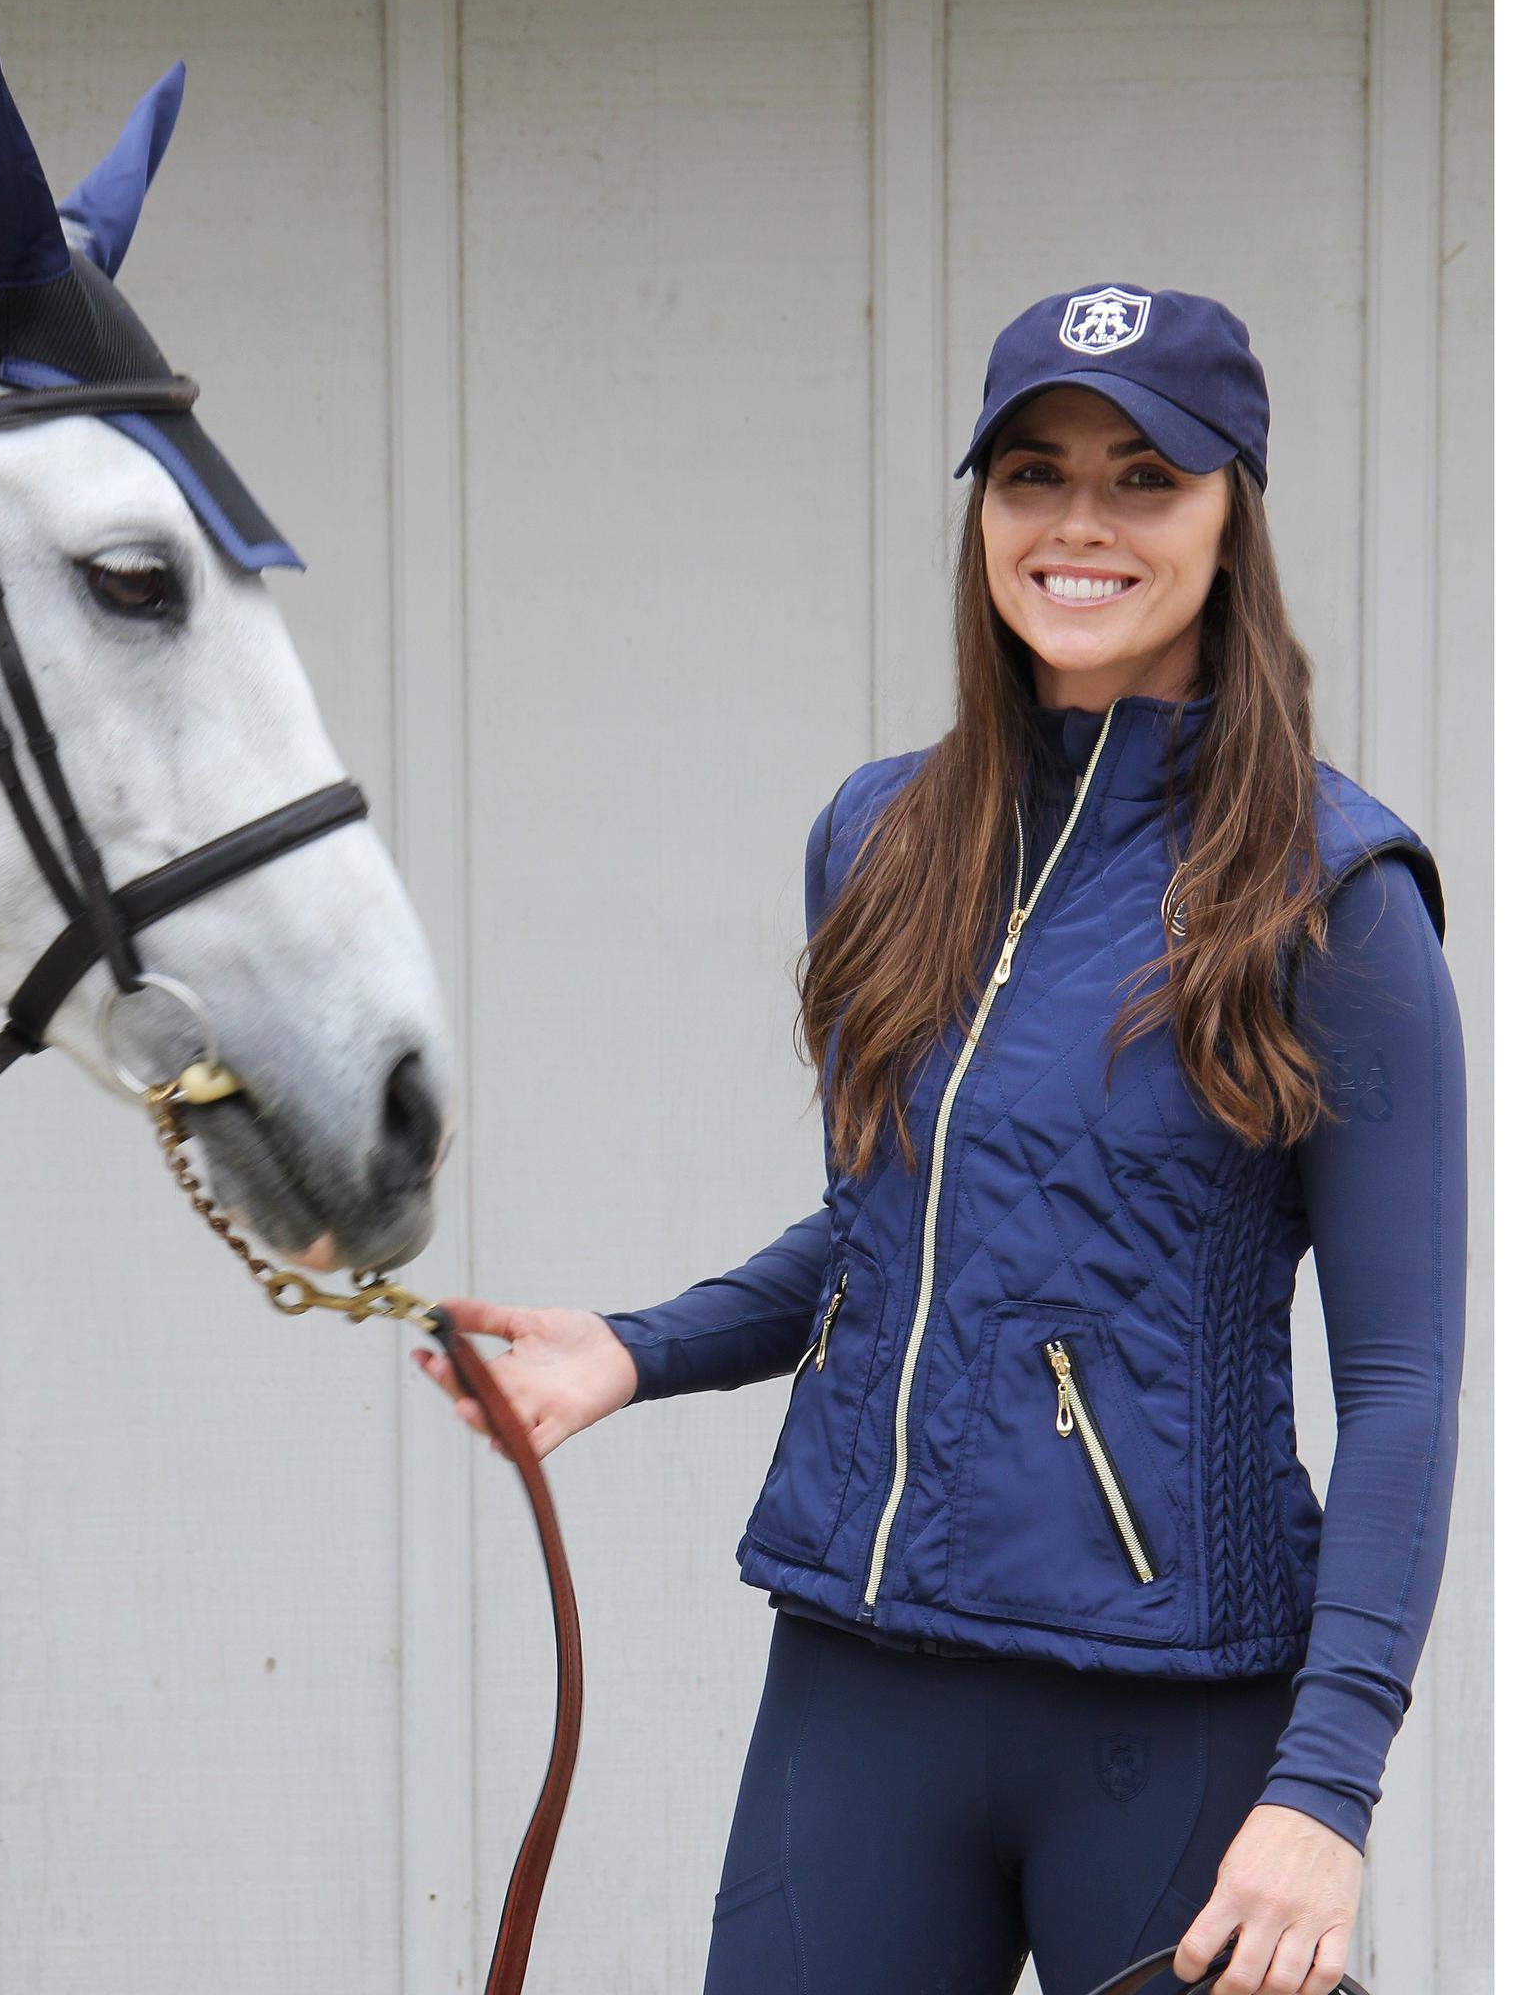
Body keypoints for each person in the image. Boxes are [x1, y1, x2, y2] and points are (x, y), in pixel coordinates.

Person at [410, 282, 1466, 1995]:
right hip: (860, 1685)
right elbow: (905, 1222)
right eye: (1033, 474)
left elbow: (1408, 1389)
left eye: (1144, 478)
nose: (1079, 525)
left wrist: (1324, 1793)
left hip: (1176, 1718)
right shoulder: (880, 836)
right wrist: (635, 1350)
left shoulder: (1331, 897)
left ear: (1230, 517)